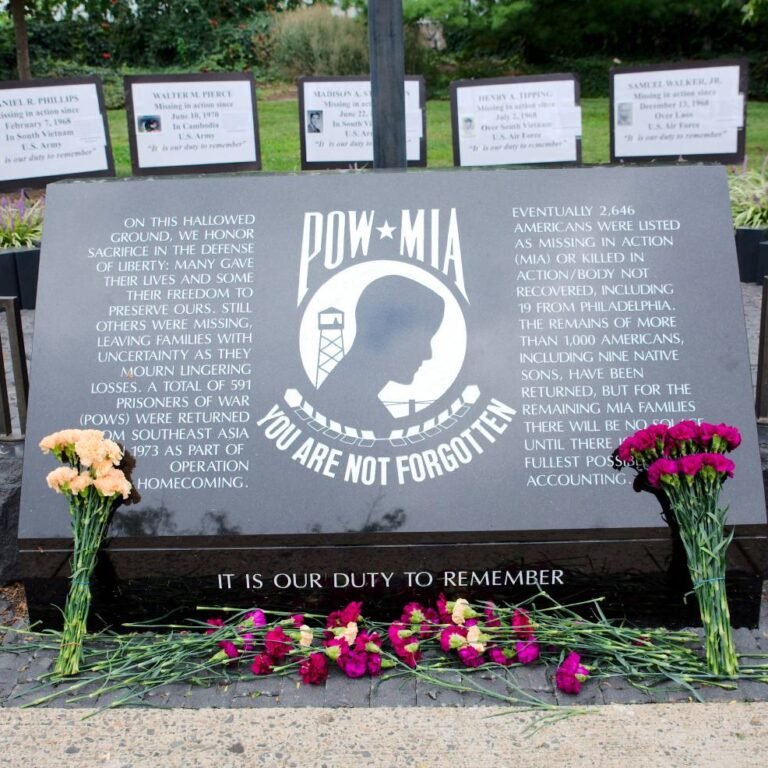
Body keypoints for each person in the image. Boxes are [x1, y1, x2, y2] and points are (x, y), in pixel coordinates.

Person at [314, 275, 445, 433]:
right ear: (386, 335)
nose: (427, 354)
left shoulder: (342, 407)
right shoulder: (354, 416)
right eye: (421, 340)